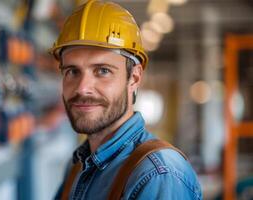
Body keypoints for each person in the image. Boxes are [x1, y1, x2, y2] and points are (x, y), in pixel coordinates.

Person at [49, 0, 202, 199]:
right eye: (72, 71)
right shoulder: (77, 167)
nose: (82, 88)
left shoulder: (157, 175)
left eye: (102, 71)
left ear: (134, 78)